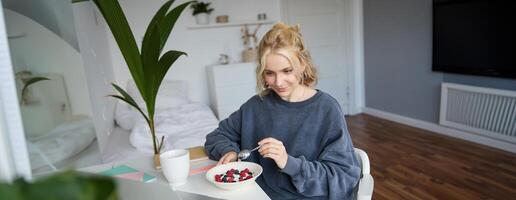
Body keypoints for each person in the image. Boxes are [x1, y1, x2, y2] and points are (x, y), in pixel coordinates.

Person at [204, 23, 360, 200]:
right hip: (256, 194)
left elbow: (342, 178)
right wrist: (230, 152)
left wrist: (289, 163)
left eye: (287, 71)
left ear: (303, 64)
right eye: (270, 73)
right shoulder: (256, 105)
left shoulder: (326, 109)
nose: (279, 82)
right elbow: (217, 136)